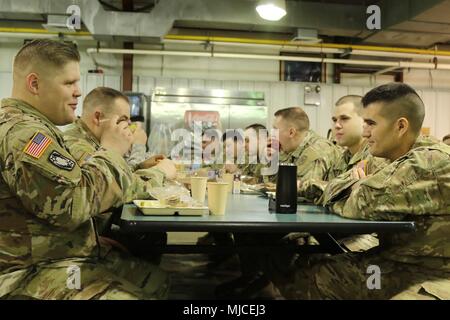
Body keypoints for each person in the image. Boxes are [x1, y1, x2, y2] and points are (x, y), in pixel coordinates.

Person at [0, 39, 169, 300]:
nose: (78, 92)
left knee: (156, 281)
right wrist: (111, 150)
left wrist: (90, 242)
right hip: (29, 271)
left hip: (55, 255)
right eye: (69, 83)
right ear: (34, 84)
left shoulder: (29, 125)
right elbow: (72, 204)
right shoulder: (26, 134)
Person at [262, 83, 450, 299]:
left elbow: (360, 204)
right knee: (311, 269)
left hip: (424, 274)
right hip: (394, 263)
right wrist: (358, 184)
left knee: (314, 278)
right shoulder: (386, 157)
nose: (365, 131)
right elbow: (335, 188)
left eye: (371, 123)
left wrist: (358, 187)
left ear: (400, 127)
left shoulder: (428, 162)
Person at [63, 87, 176, 260]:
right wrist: (160, 173)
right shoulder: (78, 147)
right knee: (151, 238)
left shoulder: (90, 139)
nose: (129, 128)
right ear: (98, 117)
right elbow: (118, 190)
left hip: (94, 229)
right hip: (82, 241)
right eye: (123, 121)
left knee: (155, 234)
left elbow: (110, 176)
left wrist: (138, 167)